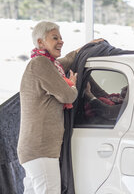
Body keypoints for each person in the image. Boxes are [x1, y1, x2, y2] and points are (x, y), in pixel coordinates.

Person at [17, 21, 102, 194]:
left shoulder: (48, 65)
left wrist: (85, 47)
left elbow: (66, 61)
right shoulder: (40, 64)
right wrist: (73, 84)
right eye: (55, 38)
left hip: (34, 149)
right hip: (41, 149)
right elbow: (68, 96)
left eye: (61, 38)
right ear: (40, 42)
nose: (61, 41)